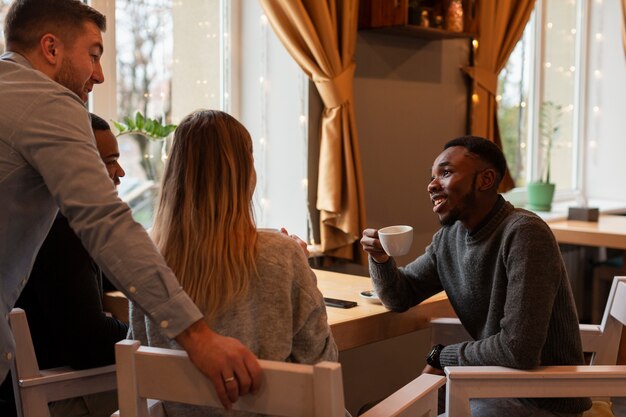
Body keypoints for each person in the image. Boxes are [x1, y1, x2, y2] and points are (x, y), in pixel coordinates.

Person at [0, 0, 260, 409]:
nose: (99, 75)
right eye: (93, 54)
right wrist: (198, 336)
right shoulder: (47, 101)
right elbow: (105, 221)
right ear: (51, 48)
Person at [360, 136, 592, 417]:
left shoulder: (525, 233)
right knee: (373, 411)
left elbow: (519, 350)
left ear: (485, 180)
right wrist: (380, 258)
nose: (432, 185)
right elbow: (399, 295)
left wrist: (442, 357)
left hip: (542, 401)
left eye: (445, 173)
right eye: (432, 177)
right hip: (490, 386)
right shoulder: (449, 238)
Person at [128, 109, 338, 417]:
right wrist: (300, 271)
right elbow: (325, 366)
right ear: (244, 173)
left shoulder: (146, 260)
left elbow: (145, 368)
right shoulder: (282, 256)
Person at [0, 114, 129, 417]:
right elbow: (89, 344)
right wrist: (144, 333)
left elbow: (103, 277)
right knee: (170, 390)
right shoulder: (61, 232)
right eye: (110, 161)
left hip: (14, 395)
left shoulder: (31, 217)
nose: (120, 172)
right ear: (74, 163)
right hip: (54, 398)